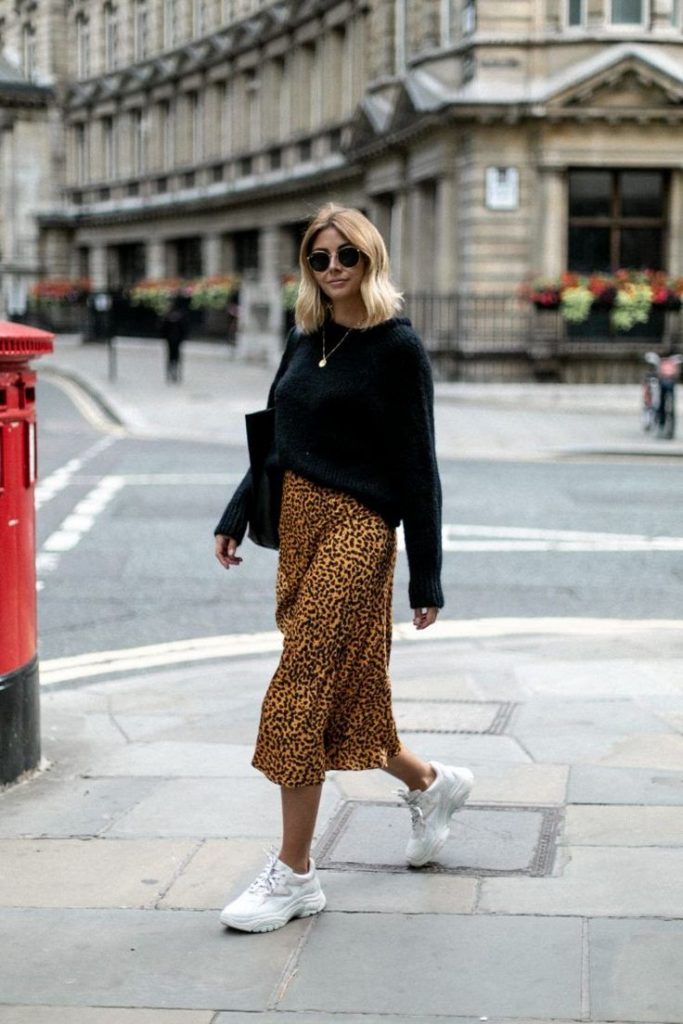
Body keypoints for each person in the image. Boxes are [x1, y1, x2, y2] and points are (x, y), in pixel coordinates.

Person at [214, 203, 473, 933]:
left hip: (358, 528)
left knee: (299, 682)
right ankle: (429, 784)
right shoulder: (304, 335)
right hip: (296, 522)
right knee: (347, 692)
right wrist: (235, 514)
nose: (332, 269)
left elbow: (418, 469)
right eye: (320, 257)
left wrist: (426, 576)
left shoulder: (396, 348)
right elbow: (274, 439)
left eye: (346, 257)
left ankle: (294, 874)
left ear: (371, 260)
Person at [161, 296, 188, 383]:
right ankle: (174, 373)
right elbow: (184, 328)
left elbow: (163, 328)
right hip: (175, 339)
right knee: (175, 356)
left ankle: (172, 373)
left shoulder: (168, 315)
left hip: (172, 339)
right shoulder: (179, 316)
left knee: (171, 356)